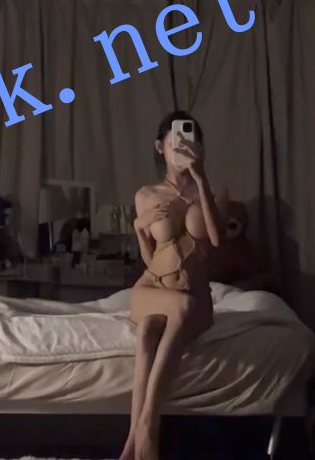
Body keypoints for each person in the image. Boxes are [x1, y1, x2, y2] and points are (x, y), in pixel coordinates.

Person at [119, 111, 227, 460]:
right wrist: (139, 229)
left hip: (195, 295)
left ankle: (136, 439)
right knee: (162, 318)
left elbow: (217, 240)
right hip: (152, 288)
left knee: (157, 326)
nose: (182, 149)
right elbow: (151, 261)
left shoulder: (211, 191)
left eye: (189, 142)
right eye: (174, 144)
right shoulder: (146, 194)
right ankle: (145, 431)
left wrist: (201, 177)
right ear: (159, 148)